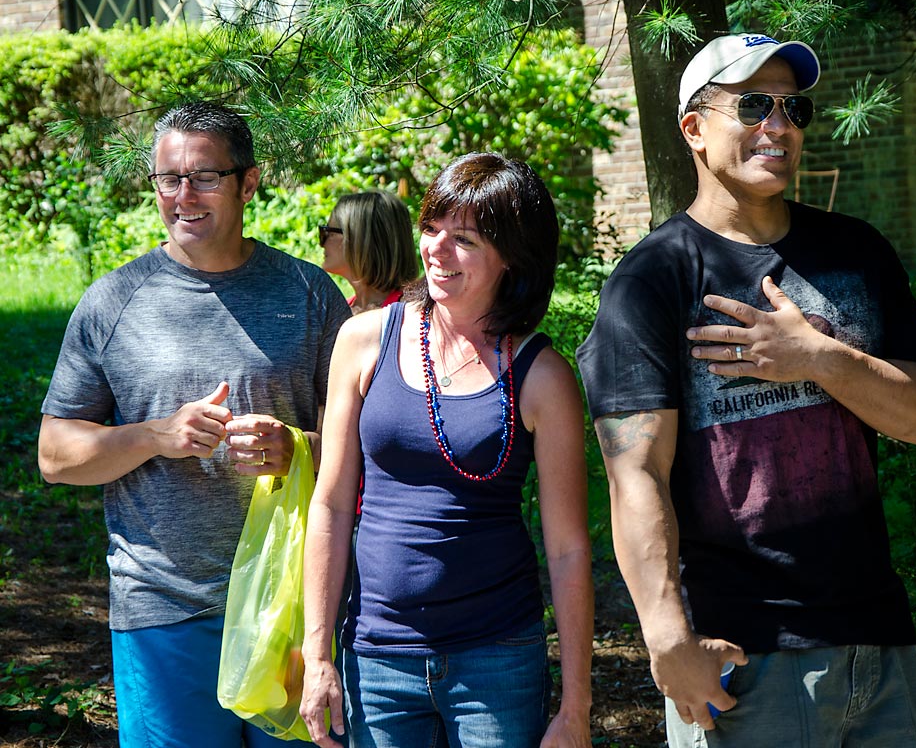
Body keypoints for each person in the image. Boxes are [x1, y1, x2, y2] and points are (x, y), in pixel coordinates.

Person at [577, 33, 916, 748]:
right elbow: (636, 474)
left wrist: (819, 357)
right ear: (693, 127)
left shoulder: (856, 252)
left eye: (793, 109)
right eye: (753, 105)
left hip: (880, 644)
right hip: (742, 661)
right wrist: (668, 642)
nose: (778, 126)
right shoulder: (653, 281)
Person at [37, 101, 352, 748]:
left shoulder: (310, 294)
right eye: (168, 178)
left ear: (250, 181)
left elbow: (368, 448)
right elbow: (55, 455)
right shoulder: (113, 303)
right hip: (163, 610)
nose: (184, 195)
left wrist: (297, 449)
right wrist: (155, 436)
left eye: (205, 176)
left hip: (293, 606)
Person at [299, 152, 594, 748]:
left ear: (511, 256)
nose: (435, 249)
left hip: (497, 657)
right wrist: (317, 654)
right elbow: (329, 504)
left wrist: (576, 706)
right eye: (431, 228)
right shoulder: (362, 341)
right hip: (375, 652)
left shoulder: (543, 376)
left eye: (464, 239)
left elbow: (567, 550)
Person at [320, 189, 420, 313]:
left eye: (328, 232)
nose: (322, 243)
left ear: (360, 240)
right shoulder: (340, 311)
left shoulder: (408, 315)